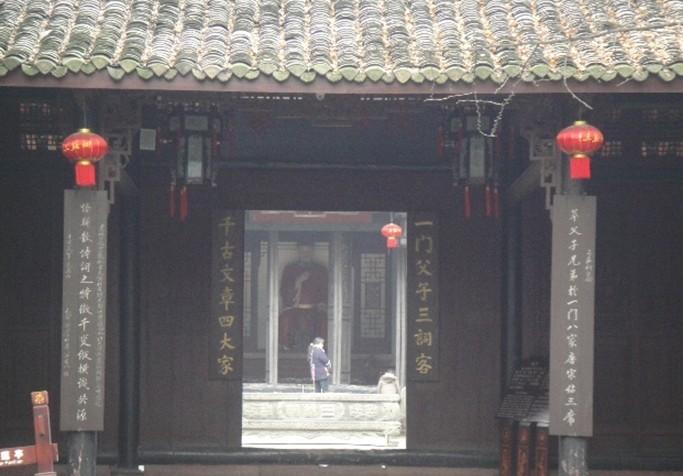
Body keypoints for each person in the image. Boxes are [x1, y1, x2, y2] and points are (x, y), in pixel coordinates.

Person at [278, 238, 328, 350]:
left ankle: (320, 349)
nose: (306, 254)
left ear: (313, 251)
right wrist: (298, 281)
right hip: (295, 308)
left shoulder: (320, 269)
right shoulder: (290, 269)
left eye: (308, 251)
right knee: (284, 319)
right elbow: (284, 290)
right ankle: (287, 348)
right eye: (303, 251)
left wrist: (321, 304)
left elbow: (325, 290)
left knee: (324, 320)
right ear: (298, 251)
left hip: (315, 309)